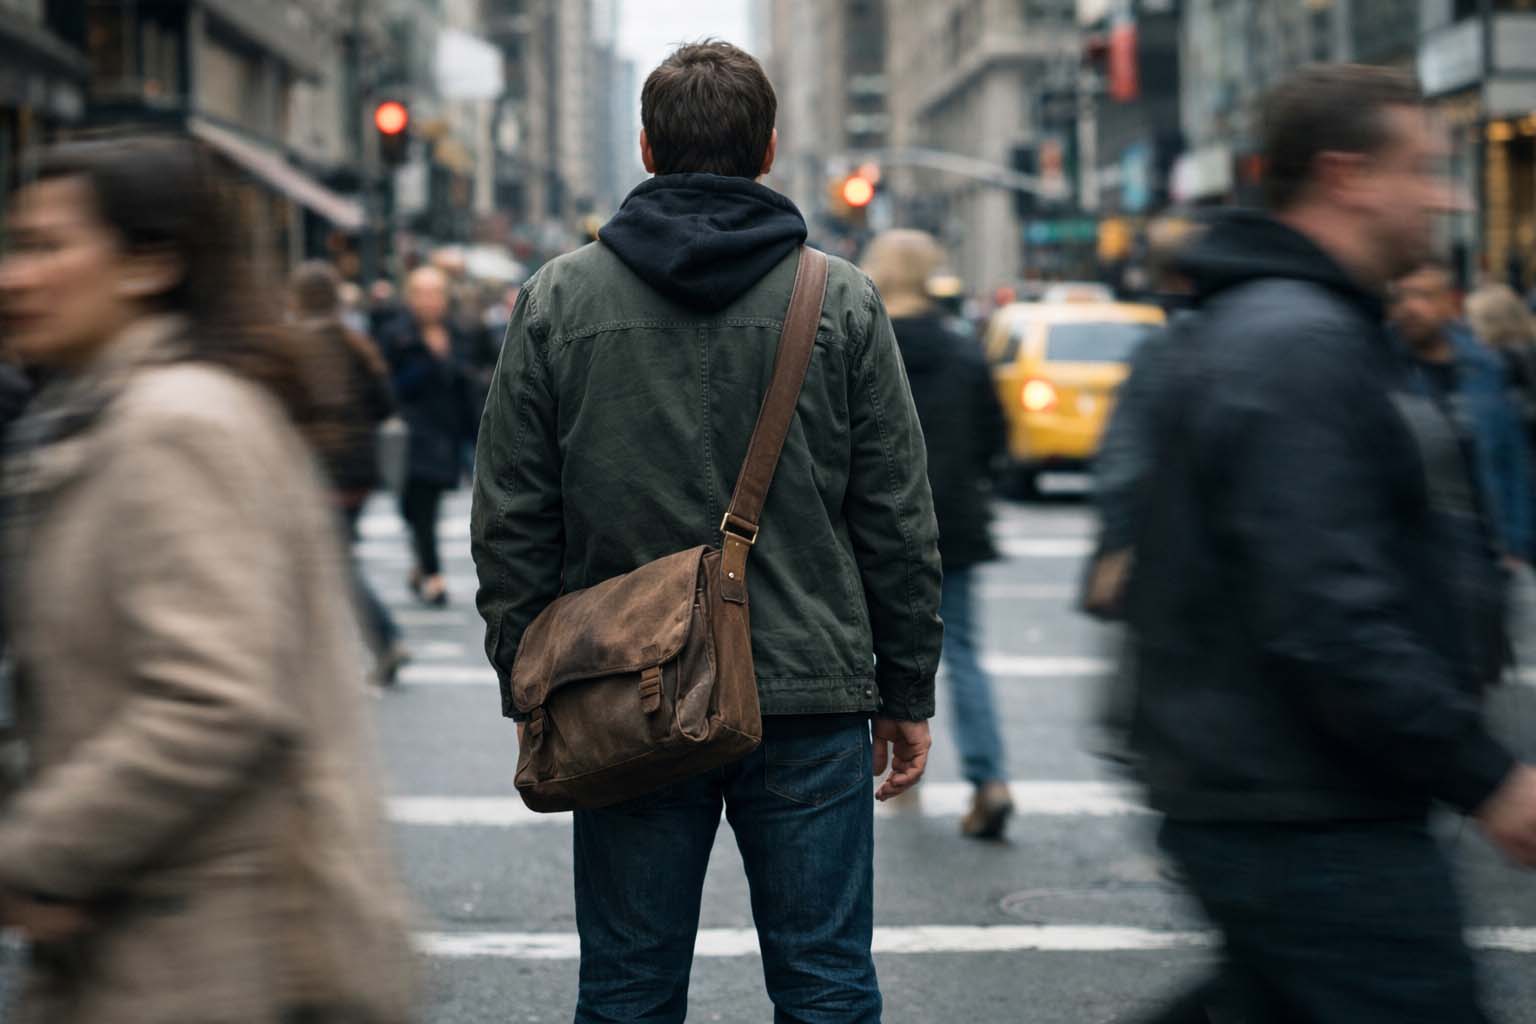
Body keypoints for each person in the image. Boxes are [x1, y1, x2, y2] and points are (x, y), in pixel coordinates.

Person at [472, 40, 942, 1023]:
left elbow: (513, 511)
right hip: (807, 698)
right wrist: (904, 688)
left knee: (629, 988)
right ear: (769, 151)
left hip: (624, 691)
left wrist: (528, 673)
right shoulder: (841, 299)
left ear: (646, 148)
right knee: (825, 984)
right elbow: (895, 514)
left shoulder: (559, 297)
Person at [1126, 66, 1536, 1023]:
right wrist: (1486, 775)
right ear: (1349, 176)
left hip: (1299, 787)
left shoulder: (1313, 324)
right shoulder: (1294, 342)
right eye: (1425, 170)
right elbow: (1325, 610)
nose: (1448, 195)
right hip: (1302, 803)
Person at [0, 136, 415, 1022]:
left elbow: (212, 700)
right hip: (157, 945)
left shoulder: (173, 424)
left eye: (45, 247)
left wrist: (33, 851)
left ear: (149, 264)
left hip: (208, 956)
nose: (14, 276)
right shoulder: (102, 415)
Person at [863, 229, 1011, 838]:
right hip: (955, 529)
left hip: (873, 533)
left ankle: (893, 778)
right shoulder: (963, 349)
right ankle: (990, 779)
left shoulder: (860, 343)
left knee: (870, 655)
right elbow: (994, 442)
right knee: (967, 656)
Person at [290, 260, 410, 686]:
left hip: (321, 473)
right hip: (359, 472)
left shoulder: (293, 350)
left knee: (330, 561)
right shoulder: (357, 345)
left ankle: (383, 639)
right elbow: (386, 406)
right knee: (330, 558)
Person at [384, 264, 477, 606]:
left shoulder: (461, 333)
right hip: (411, 436)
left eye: (435, 293)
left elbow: (470, 384)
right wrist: (428, 360)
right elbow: (389, 387)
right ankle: (430, 571)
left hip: (447, 435)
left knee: (427, 506)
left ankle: (427, 569)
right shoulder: (396, 334)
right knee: (415, 507)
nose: (429, 301)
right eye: (421, 294)